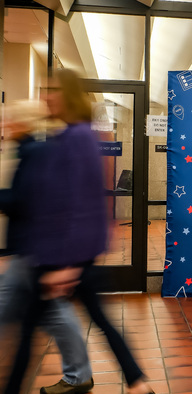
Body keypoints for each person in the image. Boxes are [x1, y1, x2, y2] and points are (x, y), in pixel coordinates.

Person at [5, 69, 154, 394]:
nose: (45, 95)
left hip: (64, 260)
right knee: (92, 323)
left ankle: (135, 383)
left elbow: (83, 205)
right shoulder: (66, 137)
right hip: (56, 258)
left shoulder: (78, 138)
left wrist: (68, 266)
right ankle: (137, 383)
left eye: (52, 89)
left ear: (69, 95)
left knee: (35, 334)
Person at [0, 99, 94, 394]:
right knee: (51, 312)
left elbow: (24, 202)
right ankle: (79, 375)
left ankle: (79, 376)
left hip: (31, 250)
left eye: (10, 119)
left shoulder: (34, 152)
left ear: (24, 123)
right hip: (30, 250)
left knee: (21, 309)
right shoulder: (32, 150)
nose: (6, 125)